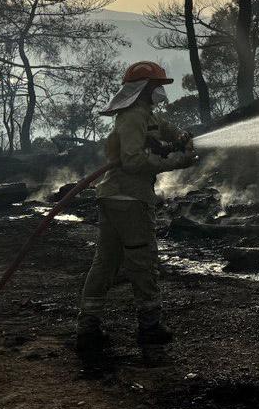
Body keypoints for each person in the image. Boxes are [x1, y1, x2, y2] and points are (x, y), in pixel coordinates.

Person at [75, 61, 198, 357]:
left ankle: (88, 329)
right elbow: (132, 162)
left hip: (114, 198)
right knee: (142, 261)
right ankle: (149, 326)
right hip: (129, 200)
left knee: (105, 263)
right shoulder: (132, 117)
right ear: (143, 89)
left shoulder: (143, 115)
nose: (160, 92)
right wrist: (177, 162)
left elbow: (161, 129)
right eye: (156, 87)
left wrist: (179, 136)